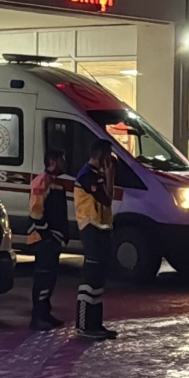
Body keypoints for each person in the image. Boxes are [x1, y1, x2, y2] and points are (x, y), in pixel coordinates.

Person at [72, 139, 119, 340]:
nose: (110, 160)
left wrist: (108, 177)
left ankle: (96, 324)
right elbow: (106, 199)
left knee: (99, 279)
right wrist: (109, 177)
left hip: (102, 229)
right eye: (107, 156)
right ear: (100, 155)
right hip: (90, 229)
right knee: (90, 278)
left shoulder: (97, 175)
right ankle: (83, 325)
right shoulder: (86, 176)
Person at [26, 148, 68, 331]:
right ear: (52, 162)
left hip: (52, 239)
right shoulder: (42, 182)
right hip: (43, 239)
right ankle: (37, 317)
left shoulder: (55, 183)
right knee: (43, 277)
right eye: (61, 160)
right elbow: (36, 212)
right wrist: (47, 236)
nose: (65, 163)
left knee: (50, 278)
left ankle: (45, 313)